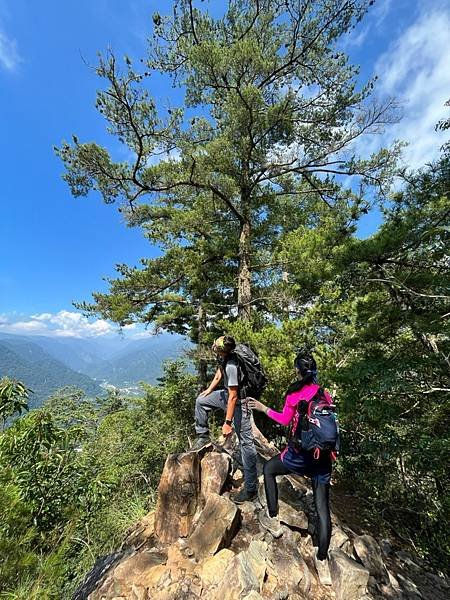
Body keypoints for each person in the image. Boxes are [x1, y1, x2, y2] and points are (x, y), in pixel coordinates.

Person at [248, 350, 334, 586]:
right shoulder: (322, 392)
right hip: (323, 459)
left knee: (268, 469)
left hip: (299, 457)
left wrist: (263, 408)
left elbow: (285, 420)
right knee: (322, 508)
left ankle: (273, 518)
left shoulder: (294, 393)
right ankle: (322, 560)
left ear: (298, 370)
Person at [192, 335, 258, 504]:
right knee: (201, 401)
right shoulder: (224, 358)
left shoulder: (231, 365)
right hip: (226, 396)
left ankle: (250, 488)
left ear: (222, 349)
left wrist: (227, 423)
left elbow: (234, 396)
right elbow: (218, 374)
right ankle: (203, 435)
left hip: (239, 403)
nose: (213, 344)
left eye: (216, 344)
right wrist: (208, 390)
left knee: (246, 444)